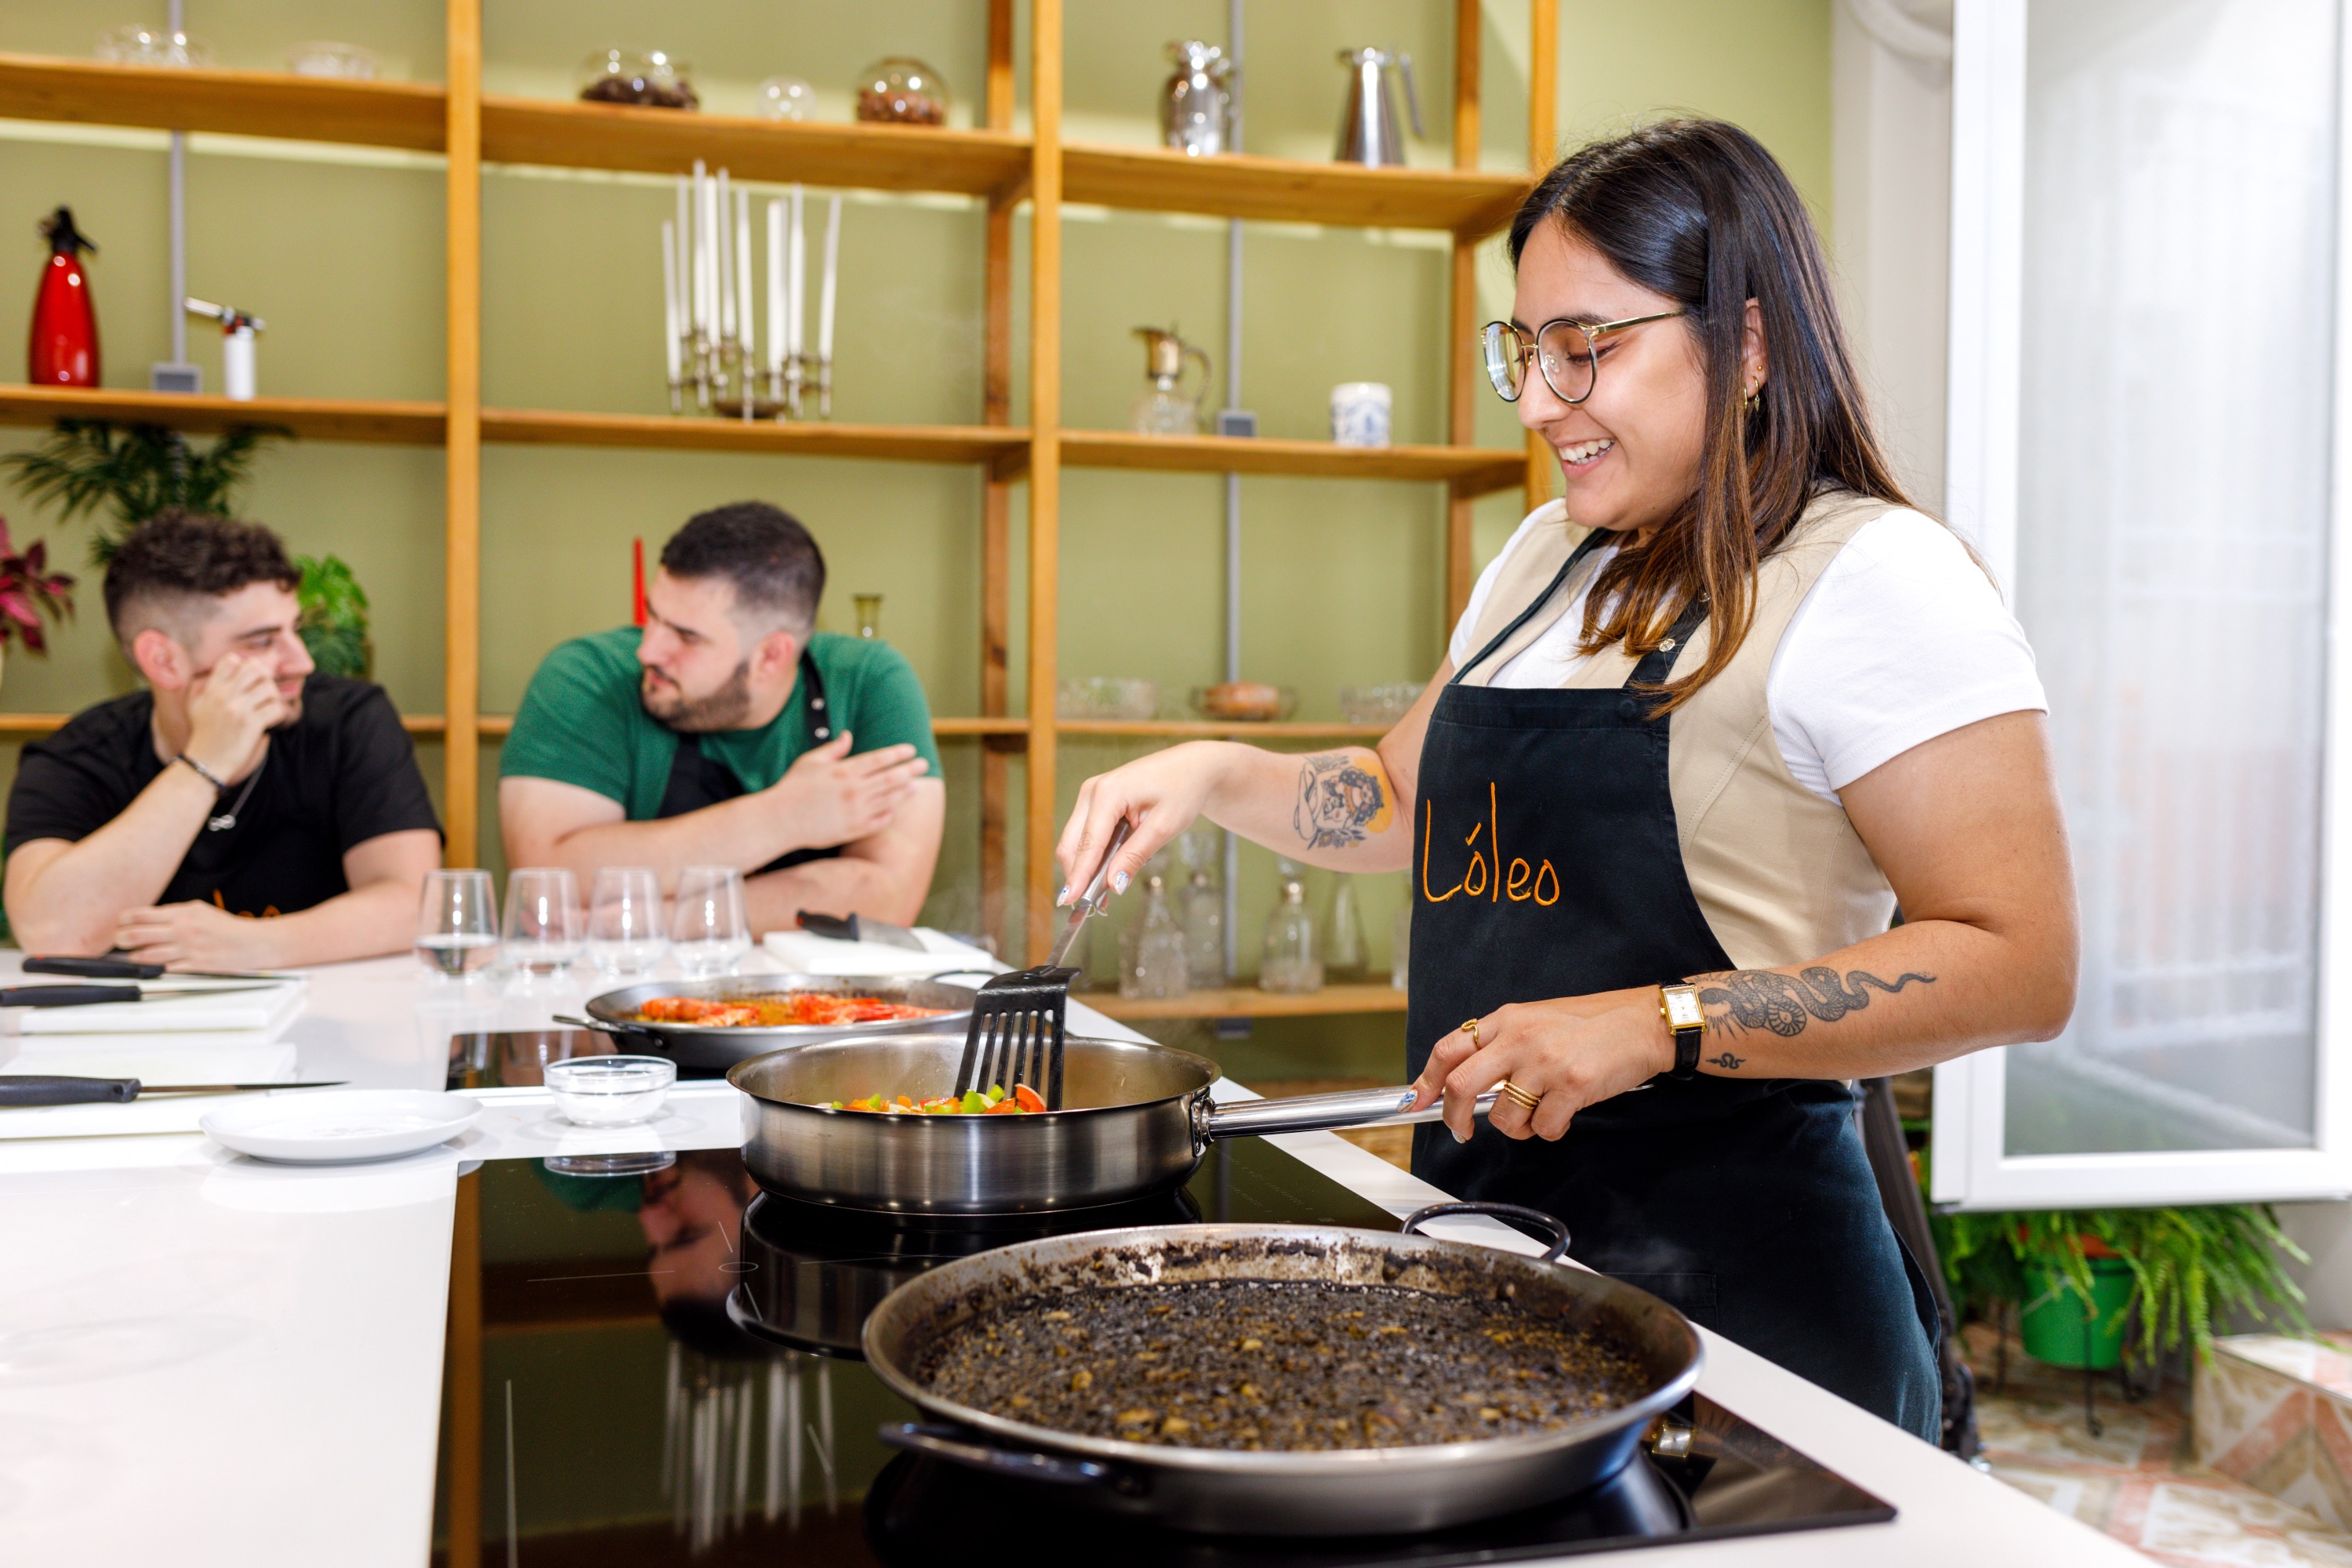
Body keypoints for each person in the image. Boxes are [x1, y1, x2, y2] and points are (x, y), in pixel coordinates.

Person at [1051, 121, 2078, 1440]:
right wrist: (1213, 773)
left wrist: (1659, 1023)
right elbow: (1408, 799)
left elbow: (2022, 960)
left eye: (1585, 348)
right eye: (1524, 351)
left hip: (1751, 1313)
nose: (1538, 400)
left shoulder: (1876, 579)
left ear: (1749, 344)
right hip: (1503, 1265)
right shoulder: (1546, 554)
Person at [4, 508, 443, 967]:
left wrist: (260, 944)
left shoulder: (348, 720)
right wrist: (204, 764)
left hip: (323, 1020)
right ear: (164, 661)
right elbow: (53, 933)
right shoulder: (79, 755)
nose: (302, 663)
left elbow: (416, 903)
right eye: (262, 642)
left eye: (295, 631)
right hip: (142, 1031)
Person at [499, 502, 942, 931]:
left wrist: (657, 920)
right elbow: (548, 886)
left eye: (687, 637)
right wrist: (785, 817)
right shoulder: (586, 678)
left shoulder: (870, 683)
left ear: (771, 655)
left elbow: (887, 896)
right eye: (653, 616)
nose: (648, 650)